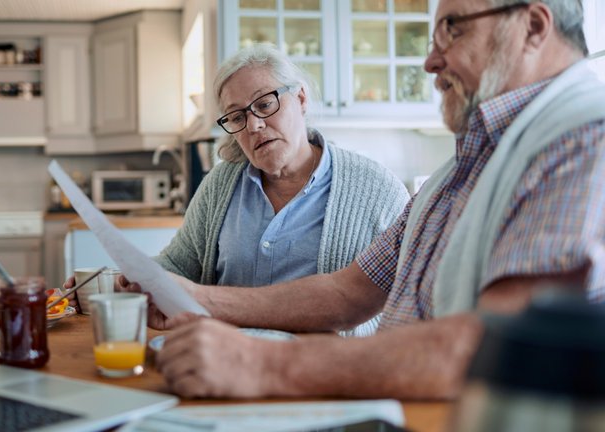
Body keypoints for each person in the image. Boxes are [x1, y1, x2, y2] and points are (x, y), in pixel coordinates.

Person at [133, 0, 605, 399]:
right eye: (432, 37)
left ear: (534, 27)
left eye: (452, 29)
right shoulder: (458, 172)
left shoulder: (584, 138)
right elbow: (347, 294)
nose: (430, 62)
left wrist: (264, 364)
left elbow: (496, 347)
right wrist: (198, 299)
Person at [75, 44, 409, 335]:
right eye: (236, 117)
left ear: (301, 98)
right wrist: (125, 281)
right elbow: (180, 264)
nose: (254, 125)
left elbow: (403, 308)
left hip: (323, 375)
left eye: (265, 105)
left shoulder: (378, 191)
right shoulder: (221, 184)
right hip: (221, 360)